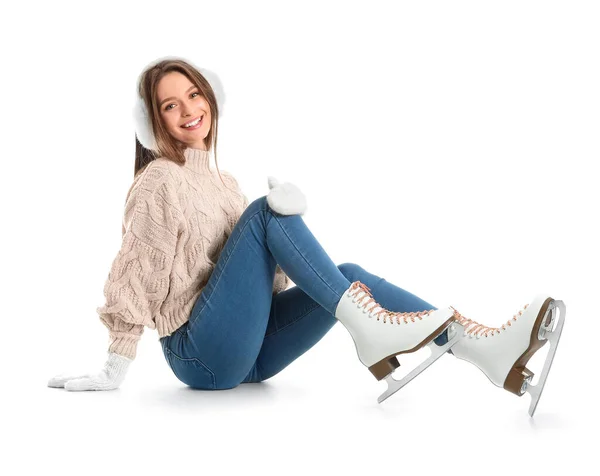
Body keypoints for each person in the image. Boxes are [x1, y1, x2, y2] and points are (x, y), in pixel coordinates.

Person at [48, 56, 564, 414]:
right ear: (152, 121)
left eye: (193, 94)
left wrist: (278, 247)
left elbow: (256, 291)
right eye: (169, 105)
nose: (188, 111)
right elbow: (137, 267)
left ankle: (482, 351)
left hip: (251, 355)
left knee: (349, 278)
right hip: (198, 356)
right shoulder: (158, 180)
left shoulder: (225, 185)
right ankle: (372, 330)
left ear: (210, 98)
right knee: (268, 215)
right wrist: (116, 363)